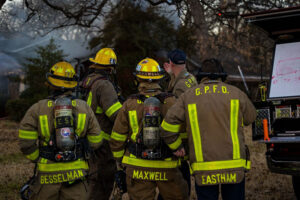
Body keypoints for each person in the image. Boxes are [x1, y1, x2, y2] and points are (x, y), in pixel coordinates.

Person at [161, 58, 257, 200]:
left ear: (201, 76)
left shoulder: (189, 96)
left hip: (204, 168)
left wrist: (177, 147)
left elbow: (166, 126)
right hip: (234, 166)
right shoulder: (236, 93)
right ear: (222, 75)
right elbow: (251, 117)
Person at [18, 61, 103, 200]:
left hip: (47, 175)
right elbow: (97, 140)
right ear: (73, 83)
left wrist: (38, 158)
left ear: (50, 83)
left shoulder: (38, 108)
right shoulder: (84, 107)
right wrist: (81, 149)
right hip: (76, 175)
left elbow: (25, 141)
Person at [109, 58, 188, 200]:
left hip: (137, 167)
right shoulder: (172, 101)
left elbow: (117, 138)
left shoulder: (129, 104)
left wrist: (120, 161)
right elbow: (182, 132)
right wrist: (182, 153)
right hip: (167, 166)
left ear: (138, 79)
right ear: (160, 78)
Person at [81, 48, 122, 200]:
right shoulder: (104, 85)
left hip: (88, 137)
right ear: (111, 68)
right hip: (103, 142)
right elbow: (115, 114)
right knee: (103, 179)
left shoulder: (88, 80)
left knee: (91, 176)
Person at [162, 49, 198, 197]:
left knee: (181, 173)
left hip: (182, 138)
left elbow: (176, 113)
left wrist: (175, 141)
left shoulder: (180, 86)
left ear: (170, 63)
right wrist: (171, 75)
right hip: (190, 134)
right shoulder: (190, 77)